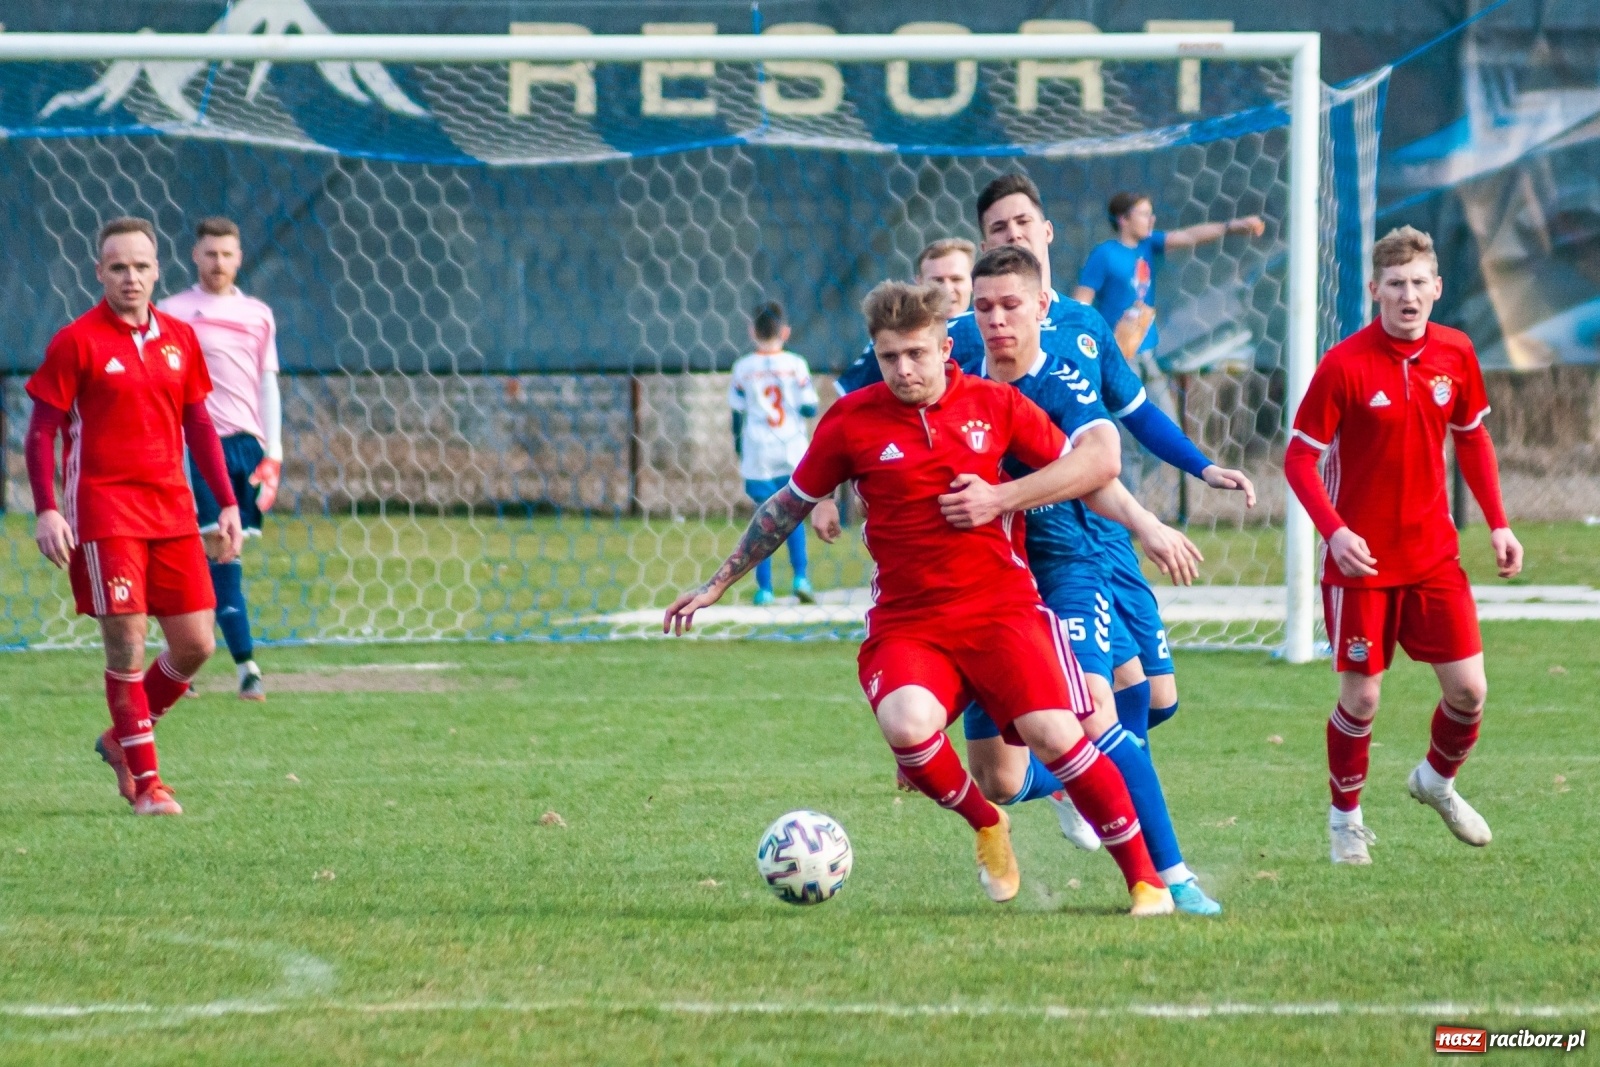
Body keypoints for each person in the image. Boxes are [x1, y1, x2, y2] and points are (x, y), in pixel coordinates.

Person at [668, 281, 1174, 916]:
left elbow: (1084, 472)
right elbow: (788, 505)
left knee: (1055, 736)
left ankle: (1146, 882)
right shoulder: (851, 421)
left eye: (915, 354)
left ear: (944, 349)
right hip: (910, 622)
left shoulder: (996, 404)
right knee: (907, 728)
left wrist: (1146, 525)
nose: (903, 369)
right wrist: (718, 582)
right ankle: (987, 823)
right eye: (889, 357)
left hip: (1003, 611)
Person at [820, 173, 1255, 776]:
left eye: (1023, 222)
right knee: (1052, 734)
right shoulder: (956, 339)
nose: (1014, 233)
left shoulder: (1084, 325)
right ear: (985, 244)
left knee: (1155, 696)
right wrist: (825, 491)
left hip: (1098, 522)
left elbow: (1135, 414)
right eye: (999, 227)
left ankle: (1090, 786)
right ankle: (1103, 800)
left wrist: (1202, 466)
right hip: (1012, 544)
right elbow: (863, 410)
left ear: (1046, 231)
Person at [911, 244, 1225, 914]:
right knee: (997, 778)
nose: (996, 319)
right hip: (987, 583)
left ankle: (1171, 875)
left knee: (1095, 704)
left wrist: (1144, 523)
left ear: (1040, 306)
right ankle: (1062, 781)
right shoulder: (952, 372)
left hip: (1065, 565)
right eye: (984, 306)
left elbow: (1101, 460)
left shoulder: (1059, 381)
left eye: (1010, 305)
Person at [1284, 225, 1523, 866]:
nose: (1408, 295)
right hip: (1360, 564)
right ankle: (1345, 821)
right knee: (1362, 698)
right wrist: (1335, 533)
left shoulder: (1456, 352)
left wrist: (1498, 523)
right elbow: (1299, 461)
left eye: (1418, 283)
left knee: (1469, 692)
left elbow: (1472, 437)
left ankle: (1436, 781)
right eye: (1395, 284)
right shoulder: (1344, 365)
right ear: (1374, 290)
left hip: (1432, 557)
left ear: (1437, 288)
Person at [25, 216, 244, 815]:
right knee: (126, 645)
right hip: (105, 513)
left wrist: (226, 500)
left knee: (196, 644)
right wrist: (47, 509)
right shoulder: (76, 341)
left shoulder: (180, 338)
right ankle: (149, 786)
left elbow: (199, 423)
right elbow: (41, 431)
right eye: (118, 267)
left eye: (141, 266)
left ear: (157, 271)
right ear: (99, 272)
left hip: (172, 512)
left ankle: (122, 738)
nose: (131, 277)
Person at [159, 217, 282, 701]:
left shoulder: (259, 314)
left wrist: (274, 455)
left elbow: (267, 384)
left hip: (245, 449)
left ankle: (182, 663)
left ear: (239, 258)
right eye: (210, 253)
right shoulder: (172, 312)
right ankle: (246, 667)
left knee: (220, 554)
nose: (218, 262)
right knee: (219, 552)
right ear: (195, 255)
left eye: (227, 254)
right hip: (195, 446)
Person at [1074, 191, 1266, 365]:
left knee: (1158, 393)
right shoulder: (1104, 254)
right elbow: (1082, 300)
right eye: (1144, 214)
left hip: (1147, 348)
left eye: (1151, 214)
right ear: (1123, 219)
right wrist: (1083, 340)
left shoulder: (1148, 244)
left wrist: (1231, 227)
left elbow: (1189, 236)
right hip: (1117, 352)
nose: (1151, 219)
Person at [727, 301, 819, 606]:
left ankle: (764, 589)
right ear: (785, 332)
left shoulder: (743, 367)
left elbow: (737, 413)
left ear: (752, 331)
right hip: (792, 449)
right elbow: (810, 407)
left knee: (763, 519)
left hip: (758, 451)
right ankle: (801, 578)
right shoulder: (796, 364)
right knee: (793, 515)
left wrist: (739, 447)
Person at [913, 237, 976, 317]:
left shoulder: (988, 323)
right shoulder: (903, 324)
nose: (947, 289)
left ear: (973, 281)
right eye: (937, 281)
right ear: (920, 284)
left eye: (956, 279)